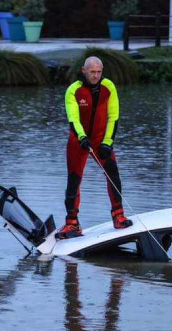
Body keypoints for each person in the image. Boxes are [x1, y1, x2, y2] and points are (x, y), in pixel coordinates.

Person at [57, 56, 133, 240]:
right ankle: (72, 223)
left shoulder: (109, 87)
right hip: (78, 140)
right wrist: (82, 138)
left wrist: (108, 142)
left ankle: (118, 216)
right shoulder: (73, 91)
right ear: (84, 70)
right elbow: (73, 119)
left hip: (101, 140)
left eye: (99, 72)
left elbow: (113, 116)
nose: (96, 76)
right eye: (92, 72)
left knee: (113, 174)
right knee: (74, 180)